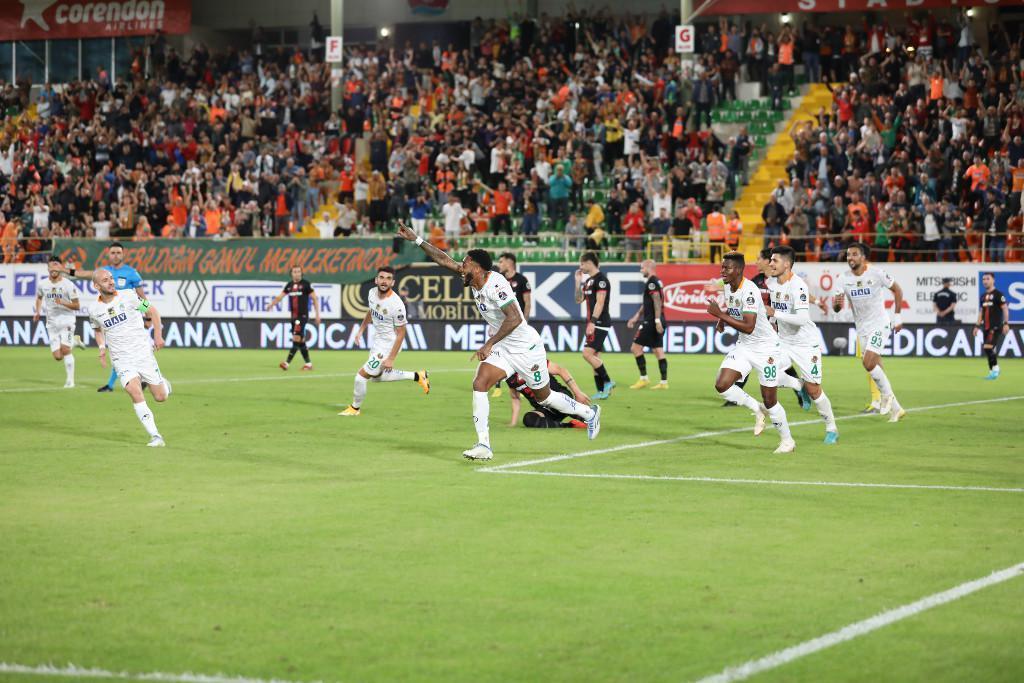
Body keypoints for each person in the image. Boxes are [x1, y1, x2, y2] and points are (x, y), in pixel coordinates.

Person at [396, 221, 600, 461]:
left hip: (526, 348)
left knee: (544, 397)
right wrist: (417, 240)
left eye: (466, 263)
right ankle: (484, 444)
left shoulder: (496, 285)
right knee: (480, 383)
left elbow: (514, 318)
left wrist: (489, 343)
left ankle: (588, 413)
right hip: (504, 348)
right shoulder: (473, 278)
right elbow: (443, 259)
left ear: (479, 268)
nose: (462, 266)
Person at [706, 251, 796, 454]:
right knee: (722, 385)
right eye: (722, 267)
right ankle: (757, 409)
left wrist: (719, 314)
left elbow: (748, 326)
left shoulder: (750, 290)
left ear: (738, 270)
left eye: (726, 268)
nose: (722, 271)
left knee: (770, 400)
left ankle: (787, 441)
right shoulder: (729, 287)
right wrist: (722, 319)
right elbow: (733, 308)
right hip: (745, 346)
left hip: (766, 349)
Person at [82, 269, 171, 447]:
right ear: (96, 286)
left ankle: (165, 385)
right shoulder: (93, 309)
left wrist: (158, 335)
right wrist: (101, 347)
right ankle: (155, 436)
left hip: (142, 353)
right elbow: (97, 330)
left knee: (160, 397)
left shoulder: (129, 296)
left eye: (111, 279)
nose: (111, 282)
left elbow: (152, 311)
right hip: (121, 359)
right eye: (105, 280)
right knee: (133, 390)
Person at [766, 246, 838, 444]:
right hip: (785, 342)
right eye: (770, 260)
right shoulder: (773, 284)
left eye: (775, 260)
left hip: (806, 344)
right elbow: (775, 314)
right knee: (768, 372)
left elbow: (801, 318)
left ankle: (831, 428)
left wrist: (774, 314)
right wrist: (773, 325)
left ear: (787, 264)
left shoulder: (798, 286)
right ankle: (799, 386)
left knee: (815, 390)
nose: (770, 263)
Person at [339, 267, 430, 415]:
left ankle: (355, 408)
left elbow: (401, 334)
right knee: (376, 378)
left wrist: (391, 358)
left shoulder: (396, 305)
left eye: (388, 278)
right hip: (378, 341)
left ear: (392, 282)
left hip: (389, 344)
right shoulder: (372, 293)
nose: (384, 281)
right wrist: (361, 330)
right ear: (376, 280)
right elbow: (371, 311)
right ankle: (418, 376)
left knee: (361, 377)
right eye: (381, 277)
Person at [833, 242, 906, 422]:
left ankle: (886, 397)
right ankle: (896, 409)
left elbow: (897, 290)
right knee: (875, 366)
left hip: (880, 324)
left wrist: (897, 317)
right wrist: (837, 303)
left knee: (868, 363)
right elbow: (836, 308)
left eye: (854, 254)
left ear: (863, 257)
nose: (850, 258)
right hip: (862, 328)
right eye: (848, 254)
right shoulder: (843, 279)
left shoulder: (876, 273)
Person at [62, 241, 145, 393]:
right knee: (118, 352)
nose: (115, 255)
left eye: (118, 252)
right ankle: (126, 380)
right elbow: (87, 274)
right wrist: (68, 271)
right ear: (109, 254)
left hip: (130, 319)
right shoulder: (104, 271)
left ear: (123, 254)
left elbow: (142, 297)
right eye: (113, 252)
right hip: (112, 318)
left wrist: (147, 316)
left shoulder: (131, 273)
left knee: (129, 352)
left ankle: (137, 379)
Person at [34, 256, 85, 388]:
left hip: (67, 321)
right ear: (48, 268)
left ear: (61, 268)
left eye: (56, 265)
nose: (54, 268)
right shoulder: (43, 284)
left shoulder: (68, 285)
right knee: (57, 356)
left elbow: (77, 306)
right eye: (51, 266)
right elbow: (39, 297)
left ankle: (70, 381)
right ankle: (75, 341)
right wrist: (37, 311)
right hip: (51, 323)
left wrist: (63, 302)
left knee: (66, 350)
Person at [492, 252, 533, 398]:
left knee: (520, 355)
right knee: (497, 352)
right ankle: (497, 386)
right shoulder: (500, 281)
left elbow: (527, 302)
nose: (499, 264)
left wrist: (525, 321)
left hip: (517, 326)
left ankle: (525, 384)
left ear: (510, 262)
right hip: (502, 325)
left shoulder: (521, 280)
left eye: (501, 261)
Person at [506, 359, 592, 429]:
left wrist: (577, 393)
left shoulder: (532, 360)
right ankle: (571, 425)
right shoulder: (509, 376)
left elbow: (561, 370)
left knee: (559, 403)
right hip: (545, 408)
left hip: (560, 396)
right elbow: (515, 398)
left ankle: (589, 415)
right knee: (529, 419)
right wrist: (513, 423)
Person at [575, 252, 616, 400]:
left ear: (590, 263)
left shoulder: (601, 280)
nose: (581, 267)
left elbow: (600, 302)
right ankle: (601, 391)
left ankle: (608, 381)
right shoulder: (589, 281)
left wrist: (592, 322)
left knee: (587, 354)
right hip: (593, 323)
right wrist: (578, 282)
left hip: (599, 322)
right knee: (595, 357)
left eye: (582, 264)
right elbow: (578, 299)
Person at [266, 266, 321, 371]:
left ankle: (287, 363)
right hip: (293, 317)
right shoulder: (289, 285)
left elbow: (314, 298)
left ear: (301, 273)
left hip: (302, 316)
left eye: (298, 272)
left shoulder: (306, 284)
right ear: (291, 274)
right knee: (301, 341)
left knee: (296, 338)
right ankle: (308, 364)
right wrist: (271, 305)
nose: (297, 273)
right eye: (295, 272)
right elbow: (280, 297)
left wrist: (318, 314)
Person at [627, 259, 668, 390]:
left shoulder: (651, 282)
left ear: (648, 267)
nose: (641, 271)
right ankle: (663, 382)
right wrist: (636, 316)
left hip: (651, 321)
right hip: (658, 319)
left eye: (642, 268)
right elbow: (648, 303)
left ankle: (644, 379)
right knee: (658, 351)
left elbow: (656, 301)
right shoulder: (657, 281)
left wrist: (656, 321)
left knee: (635, 348)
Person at [974, 272, 1010, 380]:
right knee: (988, 349)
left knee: (988, 347)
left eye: (987, 279)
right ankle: (992, 372)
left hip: (995, 326)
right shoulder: (983, 296)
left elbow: (1005, 309)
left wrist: (1006, 323)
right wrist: (976, 325)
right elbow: (981, 312)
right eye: (983, 279)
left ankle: (996, 369)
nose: (985, 281)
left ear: (993, 280)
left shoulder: (999, 294)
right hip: (986, 327)